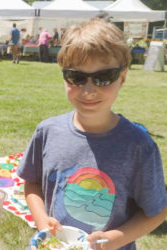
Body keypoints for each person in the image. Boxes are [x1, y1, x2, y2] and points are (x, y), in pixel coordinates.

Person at [17, 18, 167, 250]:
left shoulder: (138, 146)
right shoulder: (47, 132)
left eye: (104, 77)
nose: (89, 90)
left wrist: (117, 238)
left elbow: (157, 211)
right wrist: (41, 221)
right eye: (76, 77)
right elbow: (32, 183)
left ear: (123, 78)